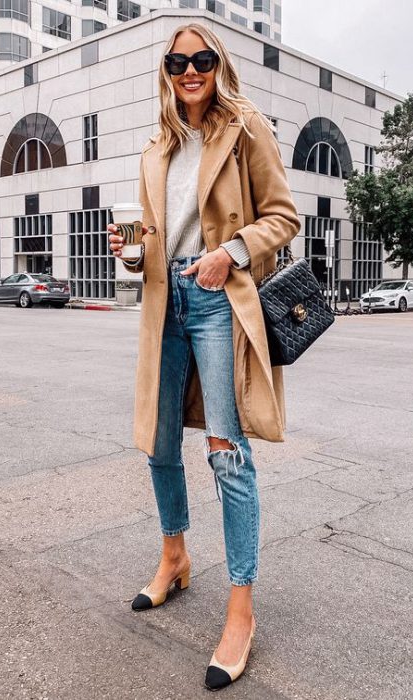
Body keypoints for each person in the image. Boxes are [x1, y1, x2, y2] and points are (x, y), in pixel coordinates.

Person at [108, 22, 300, 691]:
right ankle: (174, 557)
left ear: (218, 64)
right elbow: (152, 240)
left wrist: (228, 253)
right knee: (159, 446)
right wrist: (130, 250)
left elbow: (282, 216)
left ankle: (240, 610)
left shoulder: (244, 127)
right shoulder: (157, 147)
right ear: (164, 70)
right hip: (165, 302)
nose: (189, 70)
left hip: (218, 300)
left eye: (201, 58)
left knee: (227, 454)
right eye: (177, 61)